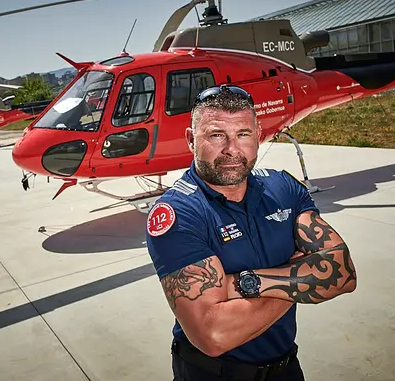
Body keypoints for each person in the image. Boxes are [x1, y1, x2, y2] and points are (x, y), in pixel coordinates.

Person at [145, 85, 358, 381]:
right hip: (212, 375)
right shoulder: (177, 213)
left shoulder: (283, 187)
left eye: (243, 134)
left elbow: (343, 273)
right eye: (217, 135)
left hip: (286, 369)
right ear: (191, 140)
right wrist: (297, 275)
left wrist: (244, 282)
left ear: (258, 136)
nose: (232, 149)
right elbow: (213, 335)